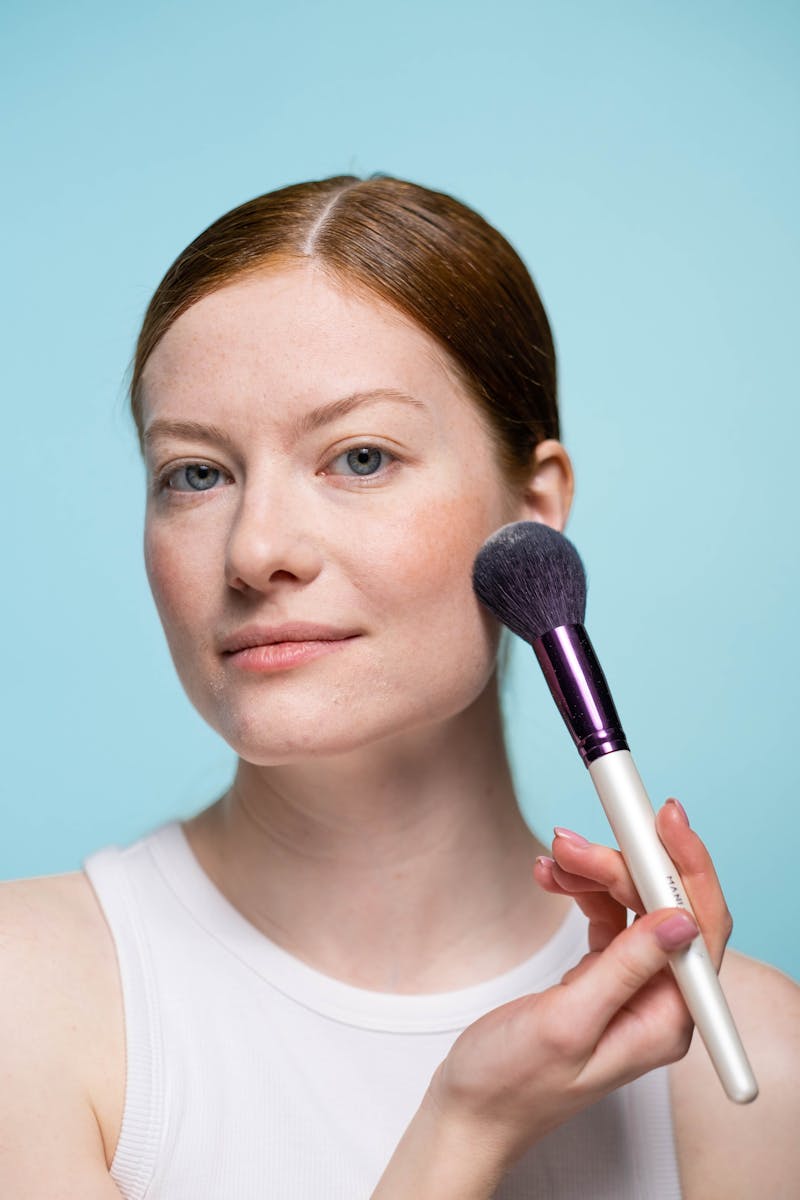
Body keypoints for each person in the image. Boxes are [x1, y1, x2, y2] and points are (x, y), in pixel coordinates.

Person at [2, 174, 797, 1200]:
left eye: (359, 457)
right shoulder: (29, 1001)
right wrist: (463, 1128)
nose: (256, 551)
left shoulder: (754, 1062)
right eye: (195, 473)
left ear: (533, 507)